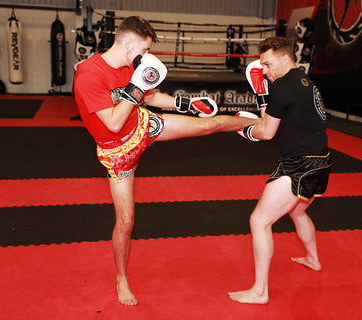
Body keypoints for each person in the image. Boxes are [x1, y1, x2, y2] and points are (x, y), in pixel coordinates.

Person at [73, 16, 258, 306]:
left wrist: (187, 104)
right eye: (144, 50)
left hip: (143, 125)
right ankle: (122, 277)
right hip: (118, 152)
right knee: (126, 222)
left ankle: (253, 126)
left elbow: (152, 95)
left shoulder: (129, 67)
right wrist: (136, 87)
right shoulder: (88, 74)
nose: (146, 57)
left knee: (205, 126)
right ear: (129, 43)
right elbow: (111, 123)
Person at [228, 36, 332, 304]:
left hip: (299, 166)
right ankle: (313, 259)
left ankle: (260, 291)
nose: (264, 70)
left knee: (259, 221)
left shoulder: (282, 87)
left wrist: (242, 128)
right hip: (322, 161)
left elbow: (266, 132)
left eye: (267, 63)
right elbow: (291, 119)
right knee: (297, 211)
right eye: (262, 65)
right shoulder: (307, 83)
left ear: (285, 58)